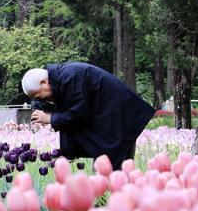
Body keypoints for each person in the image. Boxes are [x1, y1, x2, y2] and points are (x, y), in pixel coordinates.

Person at [22, 62, 155, 167]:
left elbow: (79, 114)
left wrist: (50, 118)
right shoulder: (60, 78)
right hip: (112, 122)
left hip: (120, 121)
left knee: (108, 172)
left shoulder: (70, 77)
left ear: (44, 82)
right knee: (106, 171)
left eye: (38, 96)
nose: (39, 100)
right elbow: (59, 103)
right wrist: (39, 107)